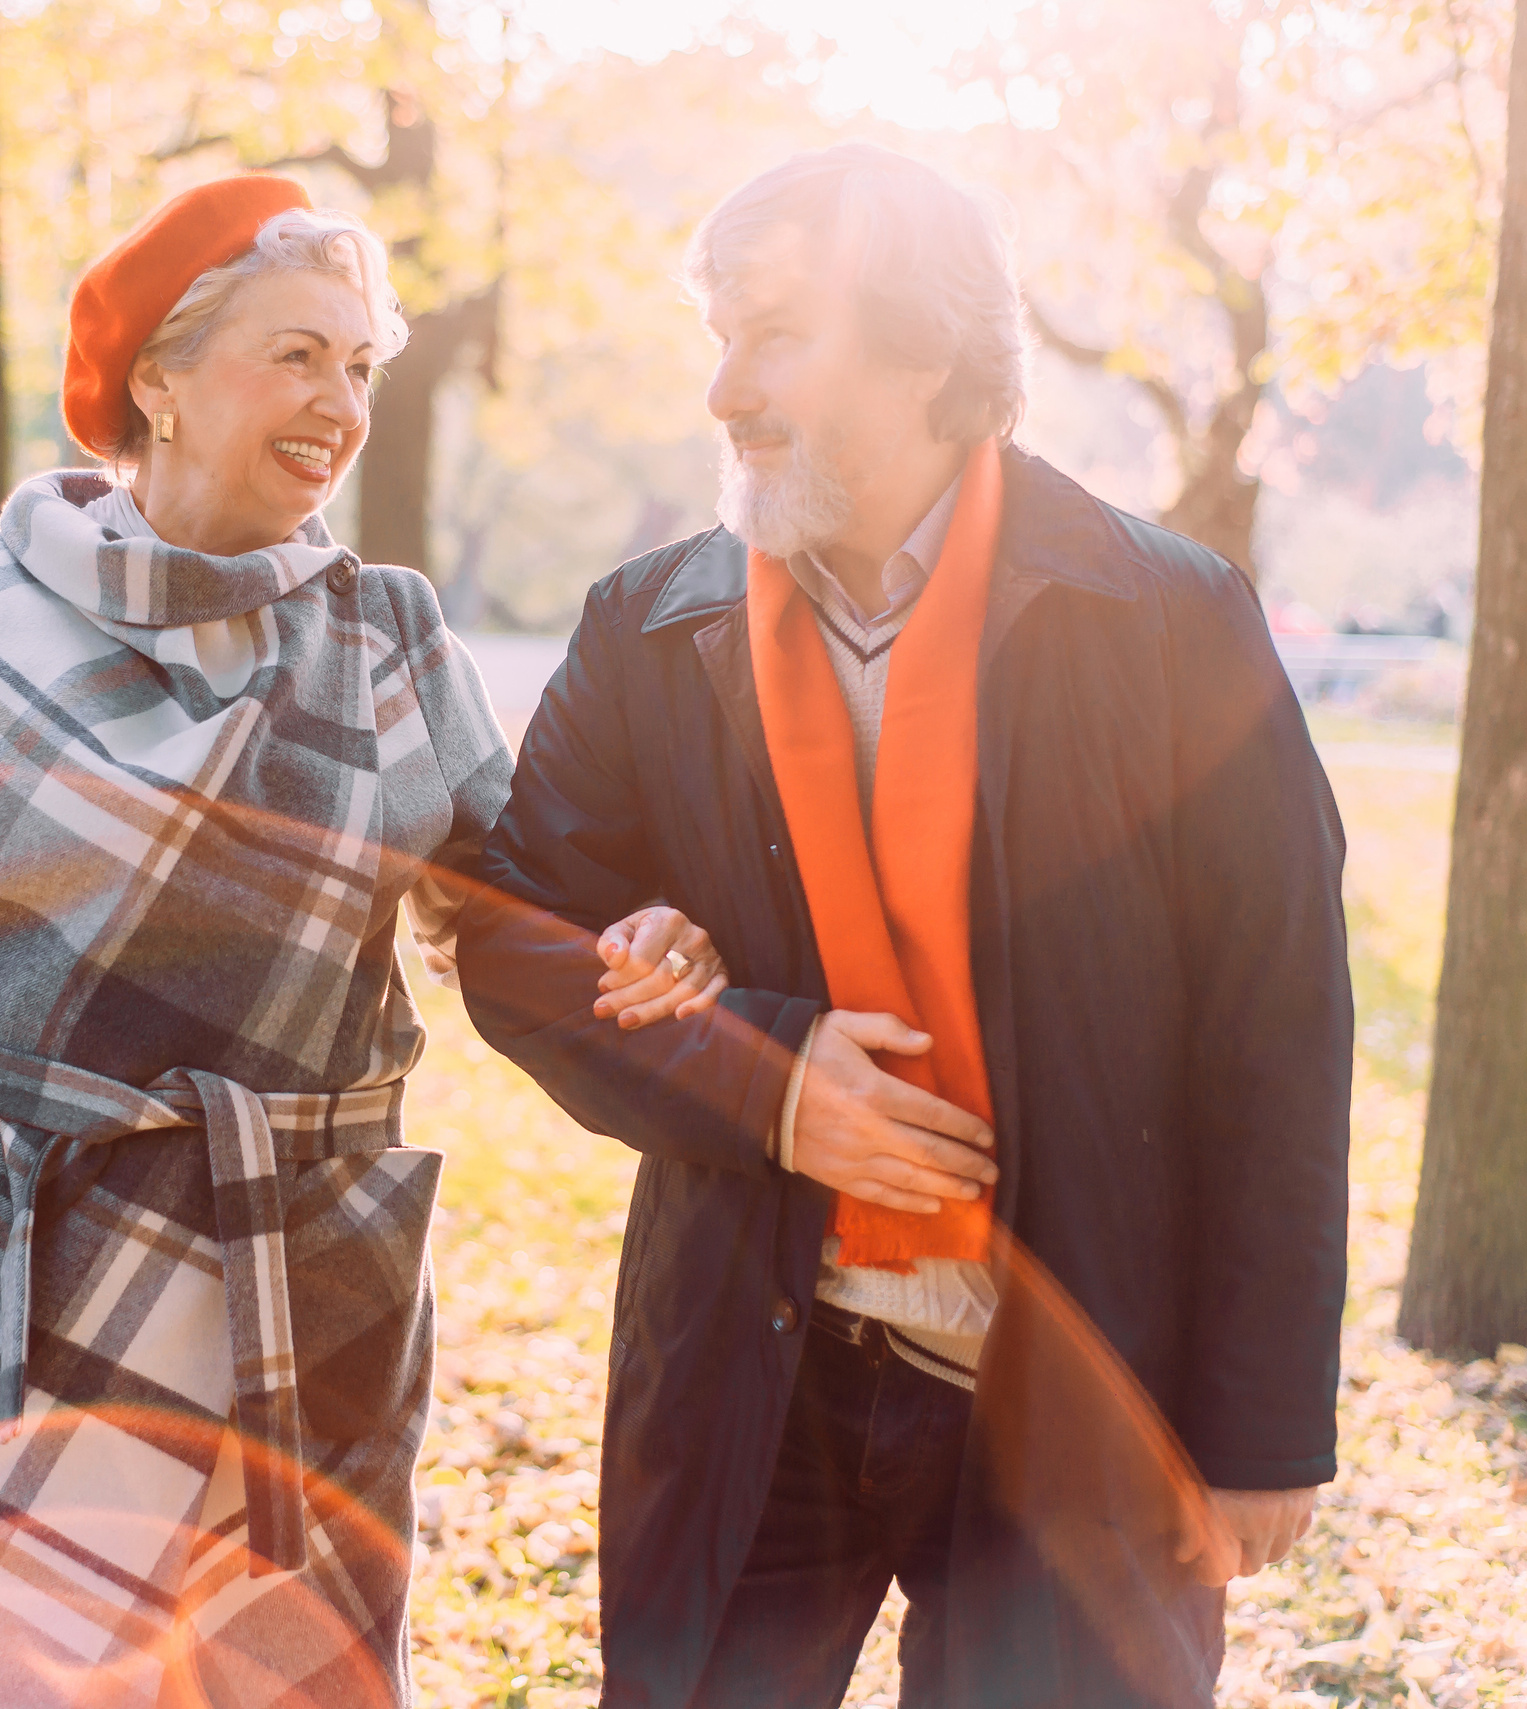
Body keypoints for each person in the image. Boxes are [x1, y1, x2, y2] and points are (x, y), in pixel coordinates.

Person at [0, 176, 698, 1709]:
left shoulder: (387, 630)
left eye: (358, 365)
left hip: (298, 1282)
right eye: (296, 355)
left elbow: (519, 901)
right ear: (157, 372)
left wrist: (642, 926)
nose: (339, 401)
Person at [455, 144, 1353, 1708]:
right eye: (718, 336)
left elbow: (1277, 1033)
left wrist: (1260, 1425)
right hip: (753, 1362)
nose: (727, 387)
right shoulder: (650, 626)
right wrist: (775, 1083)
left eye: (777, 333)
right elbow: (516, 938)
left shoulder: (1173, 622)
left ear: (928, 347)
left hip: (1081, 1379)